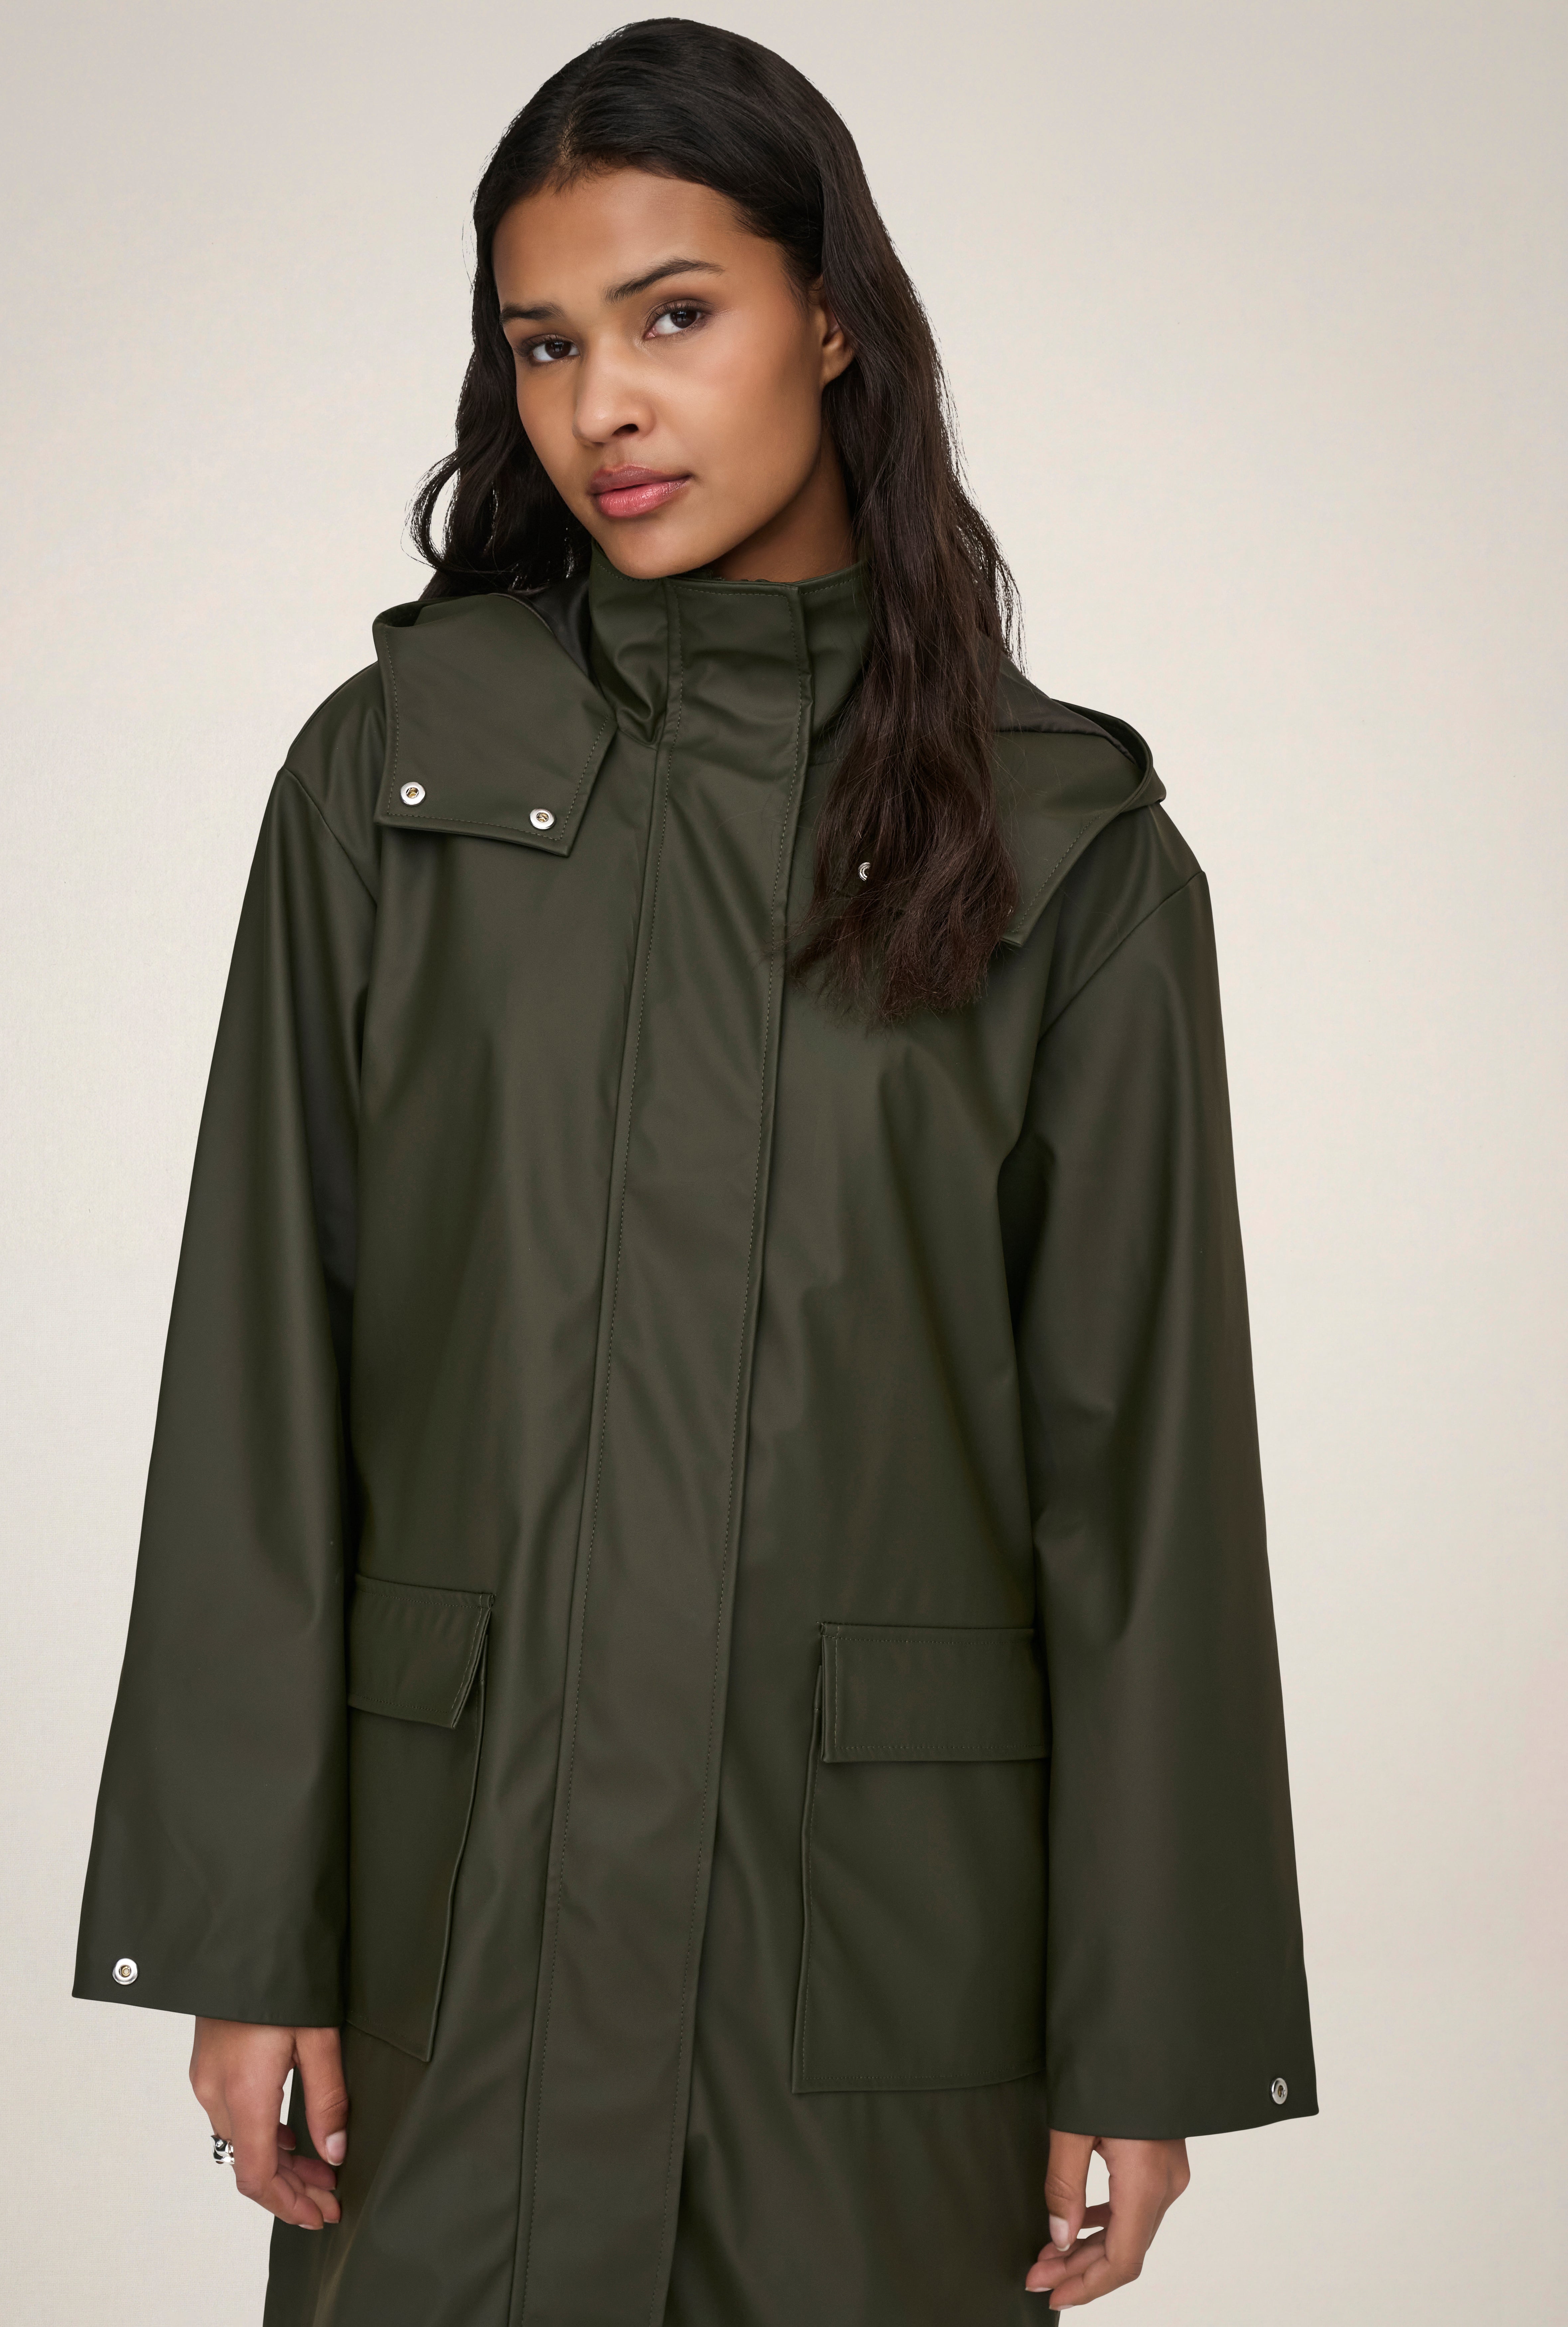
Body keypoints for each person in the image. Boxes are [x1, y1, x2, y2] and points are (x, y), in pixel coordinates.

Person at [74, 19, 1316, 2323]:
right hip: (453, 1948)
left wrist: (1146, 2039)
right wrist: (246, 1933)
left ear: (830, 314)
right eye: (546, 343)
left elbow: (1140, 1482)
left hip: (875, 1978)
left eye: (674, 315)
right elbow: (264, 1371)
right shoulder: (397, 782)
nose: (603, 407)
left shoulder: (1063, 853)